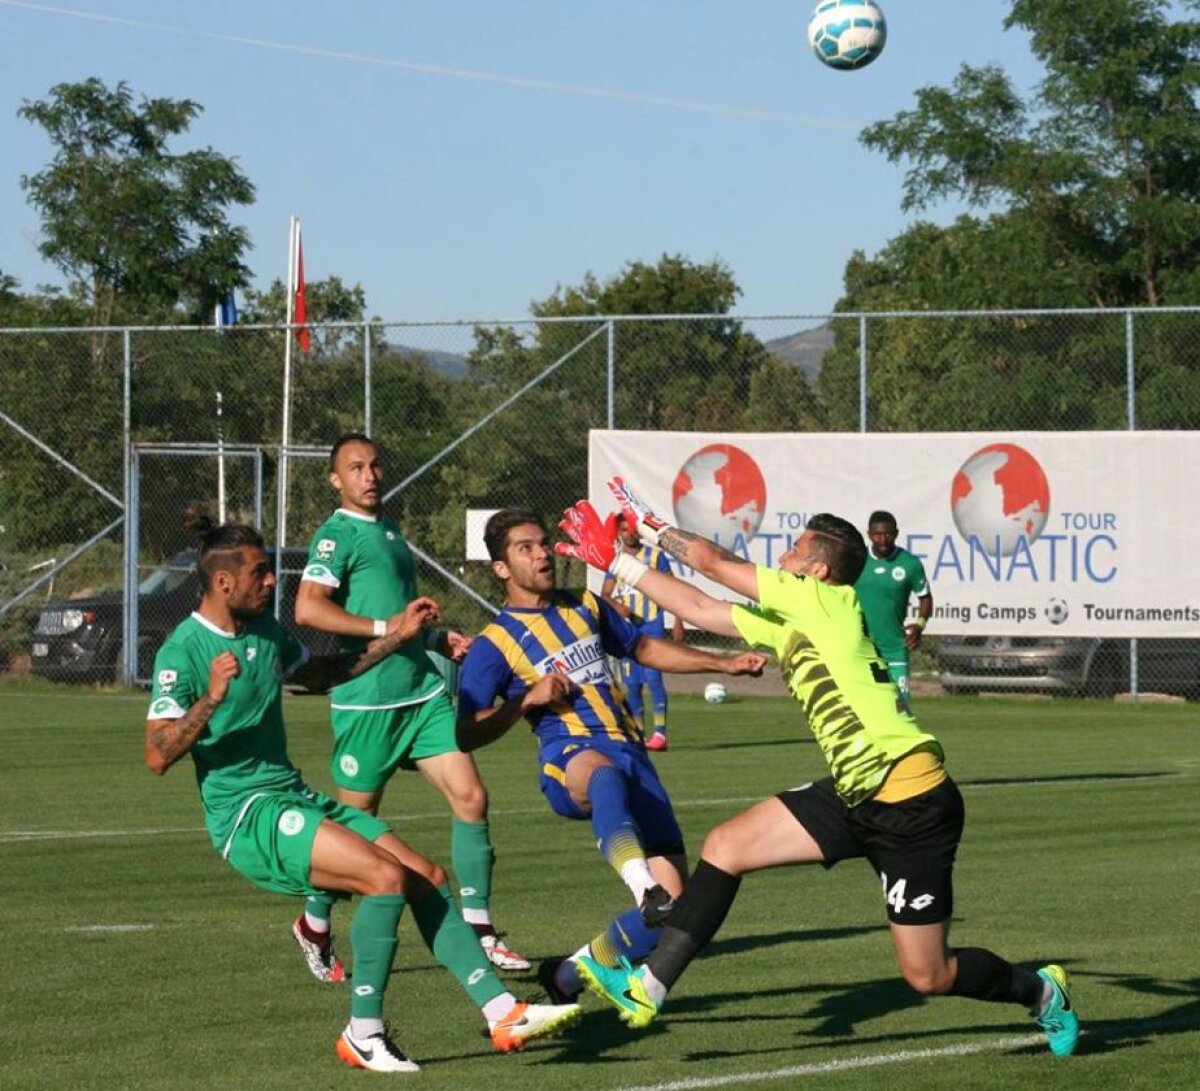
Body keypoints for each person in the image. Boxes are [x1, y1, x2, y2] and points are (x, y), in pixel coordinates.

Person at [556, 481, 1079, 1059]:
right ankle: (649, 986)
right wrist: (616, 563)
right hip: (857, 793)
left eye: (794, 549)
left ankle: (1041, 991)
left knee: (927, 976)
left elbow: (716, 564)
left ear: (820, 569)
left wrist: (649, 529)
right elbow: (698, 607)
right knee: (727, 845)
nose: (781, 558)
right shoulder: (790, 622)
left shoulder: (824, 601)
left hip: (911, 798)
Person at [143, 524, 580, 1073]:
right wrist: (209, 700)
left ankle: (502, 1011)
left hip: (291, 796)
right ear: (224, 581)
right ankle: (364, 1032)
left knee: (428, 877)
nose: (273, 580)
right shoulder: (183, 650)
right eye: (260, 572)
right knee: (385, 880)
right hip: (246, 816)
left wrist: (396, 638)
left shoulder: (263, 631)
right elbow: (158, 754)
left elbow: (324, 673)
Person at [455, 507, 767, 1004]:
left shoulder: (585, 604)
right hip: (570, 757)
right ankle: (640, 882)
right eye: (525, 548)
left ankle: (568, 977)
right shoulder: (493, 644)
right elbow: (466, 733)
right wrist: (524, 702)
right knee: (603, 778)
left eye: (543, 544)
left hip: (634, 757)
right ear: (499, 568)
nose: (541, 555)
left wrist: (722, 663)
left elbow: (643, 649)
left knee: (675, 916)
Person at [292, 433, 528, 979]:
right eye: (356, 468)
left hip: (421, 695)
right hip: (368, 703)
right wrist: (388, 630)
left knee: (471, 795)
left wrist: (432, 638)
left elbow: (397, 614)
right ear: (335, 480)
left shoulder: (392, 531)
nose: (369, 475)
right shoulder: (336, 535)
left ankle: (481, 929)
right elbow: (308, 609)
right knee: (352, 832)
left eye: (376, 465)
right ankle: (314, 921)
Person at [601, 513, 685, 751]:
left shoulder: (654, 556)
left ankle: (660, 734)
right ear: (618, 532)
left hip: (651, 623)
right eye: (624, 530)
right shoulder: (616, 561)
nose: (630, 534)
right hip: (628, 629)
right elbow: (605, 593)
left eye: (632, 529)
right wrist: (617, 607)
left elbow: (675, 588)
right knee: (633, 684)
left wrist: (679, 620)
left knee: (653, 678)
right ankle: (638, 734)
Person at [854, 510, 932, 705]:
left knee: (900, 706)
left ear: (896, 534)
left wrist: (920, 625)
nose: (883, 539)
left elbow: (925, 598)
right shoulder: (856, 561)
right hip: (860, 646)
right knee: (863, 704)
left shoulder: (909, 564)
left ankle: (906, 736)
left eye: (888, 534)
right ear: (869, 534)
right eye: (878, 534)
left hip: (894, 647)